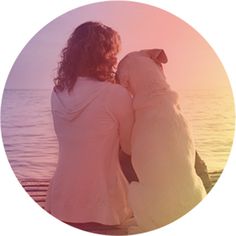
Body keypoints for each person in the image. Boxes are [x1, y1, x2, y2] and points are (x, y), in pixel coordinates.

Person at [45, 22, 134, 233]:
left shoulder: (57, 92)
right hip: (105, 209)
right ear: (108, 55)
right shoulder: (116, 94)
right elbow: (130, 148)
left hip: (59, 203)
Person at [116, 49, 207, 233]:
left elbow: (127, 150)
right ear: (157, 67)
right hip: (195, 202)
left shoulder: (141, 117)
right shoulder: (175, 109)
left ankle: (148, 223)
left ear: (125, 83)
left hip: (160, 214)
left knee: (133, 183)